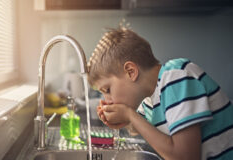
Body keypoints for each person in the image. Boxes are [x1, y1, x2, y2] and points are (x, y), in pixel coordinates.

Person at [87, 27, 233, 160]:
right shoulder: (149, 100)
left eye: (107, 90)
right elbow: (136, 129)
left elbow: (185, 157)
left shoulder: (175, 76)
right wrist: (122, 121)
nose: (107, 100)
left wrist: (129, 114)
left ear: (130, 72)